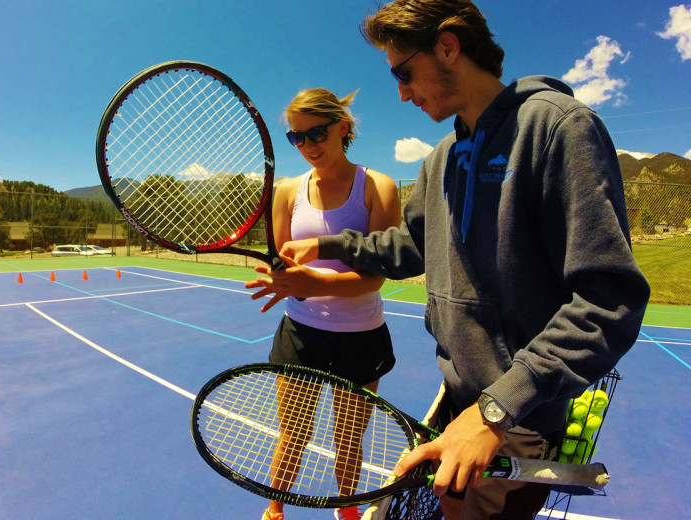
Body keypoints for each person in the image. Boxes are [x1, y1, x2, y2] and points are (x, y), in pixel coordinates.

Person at [247, 2, 650, 519]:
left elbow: (608, 301)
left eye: (403, 72)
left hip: (517, 420)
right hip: (460, 403)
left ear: (447, 46)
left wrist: (495, 411)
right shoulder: (440, 159)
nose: (401, 92)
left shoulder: (559, 128)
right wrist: (328, 245)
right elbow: (411, 246)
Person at [249, 88, 401, 520]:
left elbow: (376, 277)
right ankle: (275, 509)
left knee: (349, 438)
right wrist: (285, 282)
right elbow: (286, 267)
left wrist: (311, 282)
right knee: (292, 434)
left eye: (317, 133)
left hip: (361, 336)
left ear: (343, 127)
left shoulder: (378, 187)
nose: (308, 145)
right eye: (296, 138)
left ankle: (345, 510)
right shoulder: (286, 192)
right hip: (301, 333)